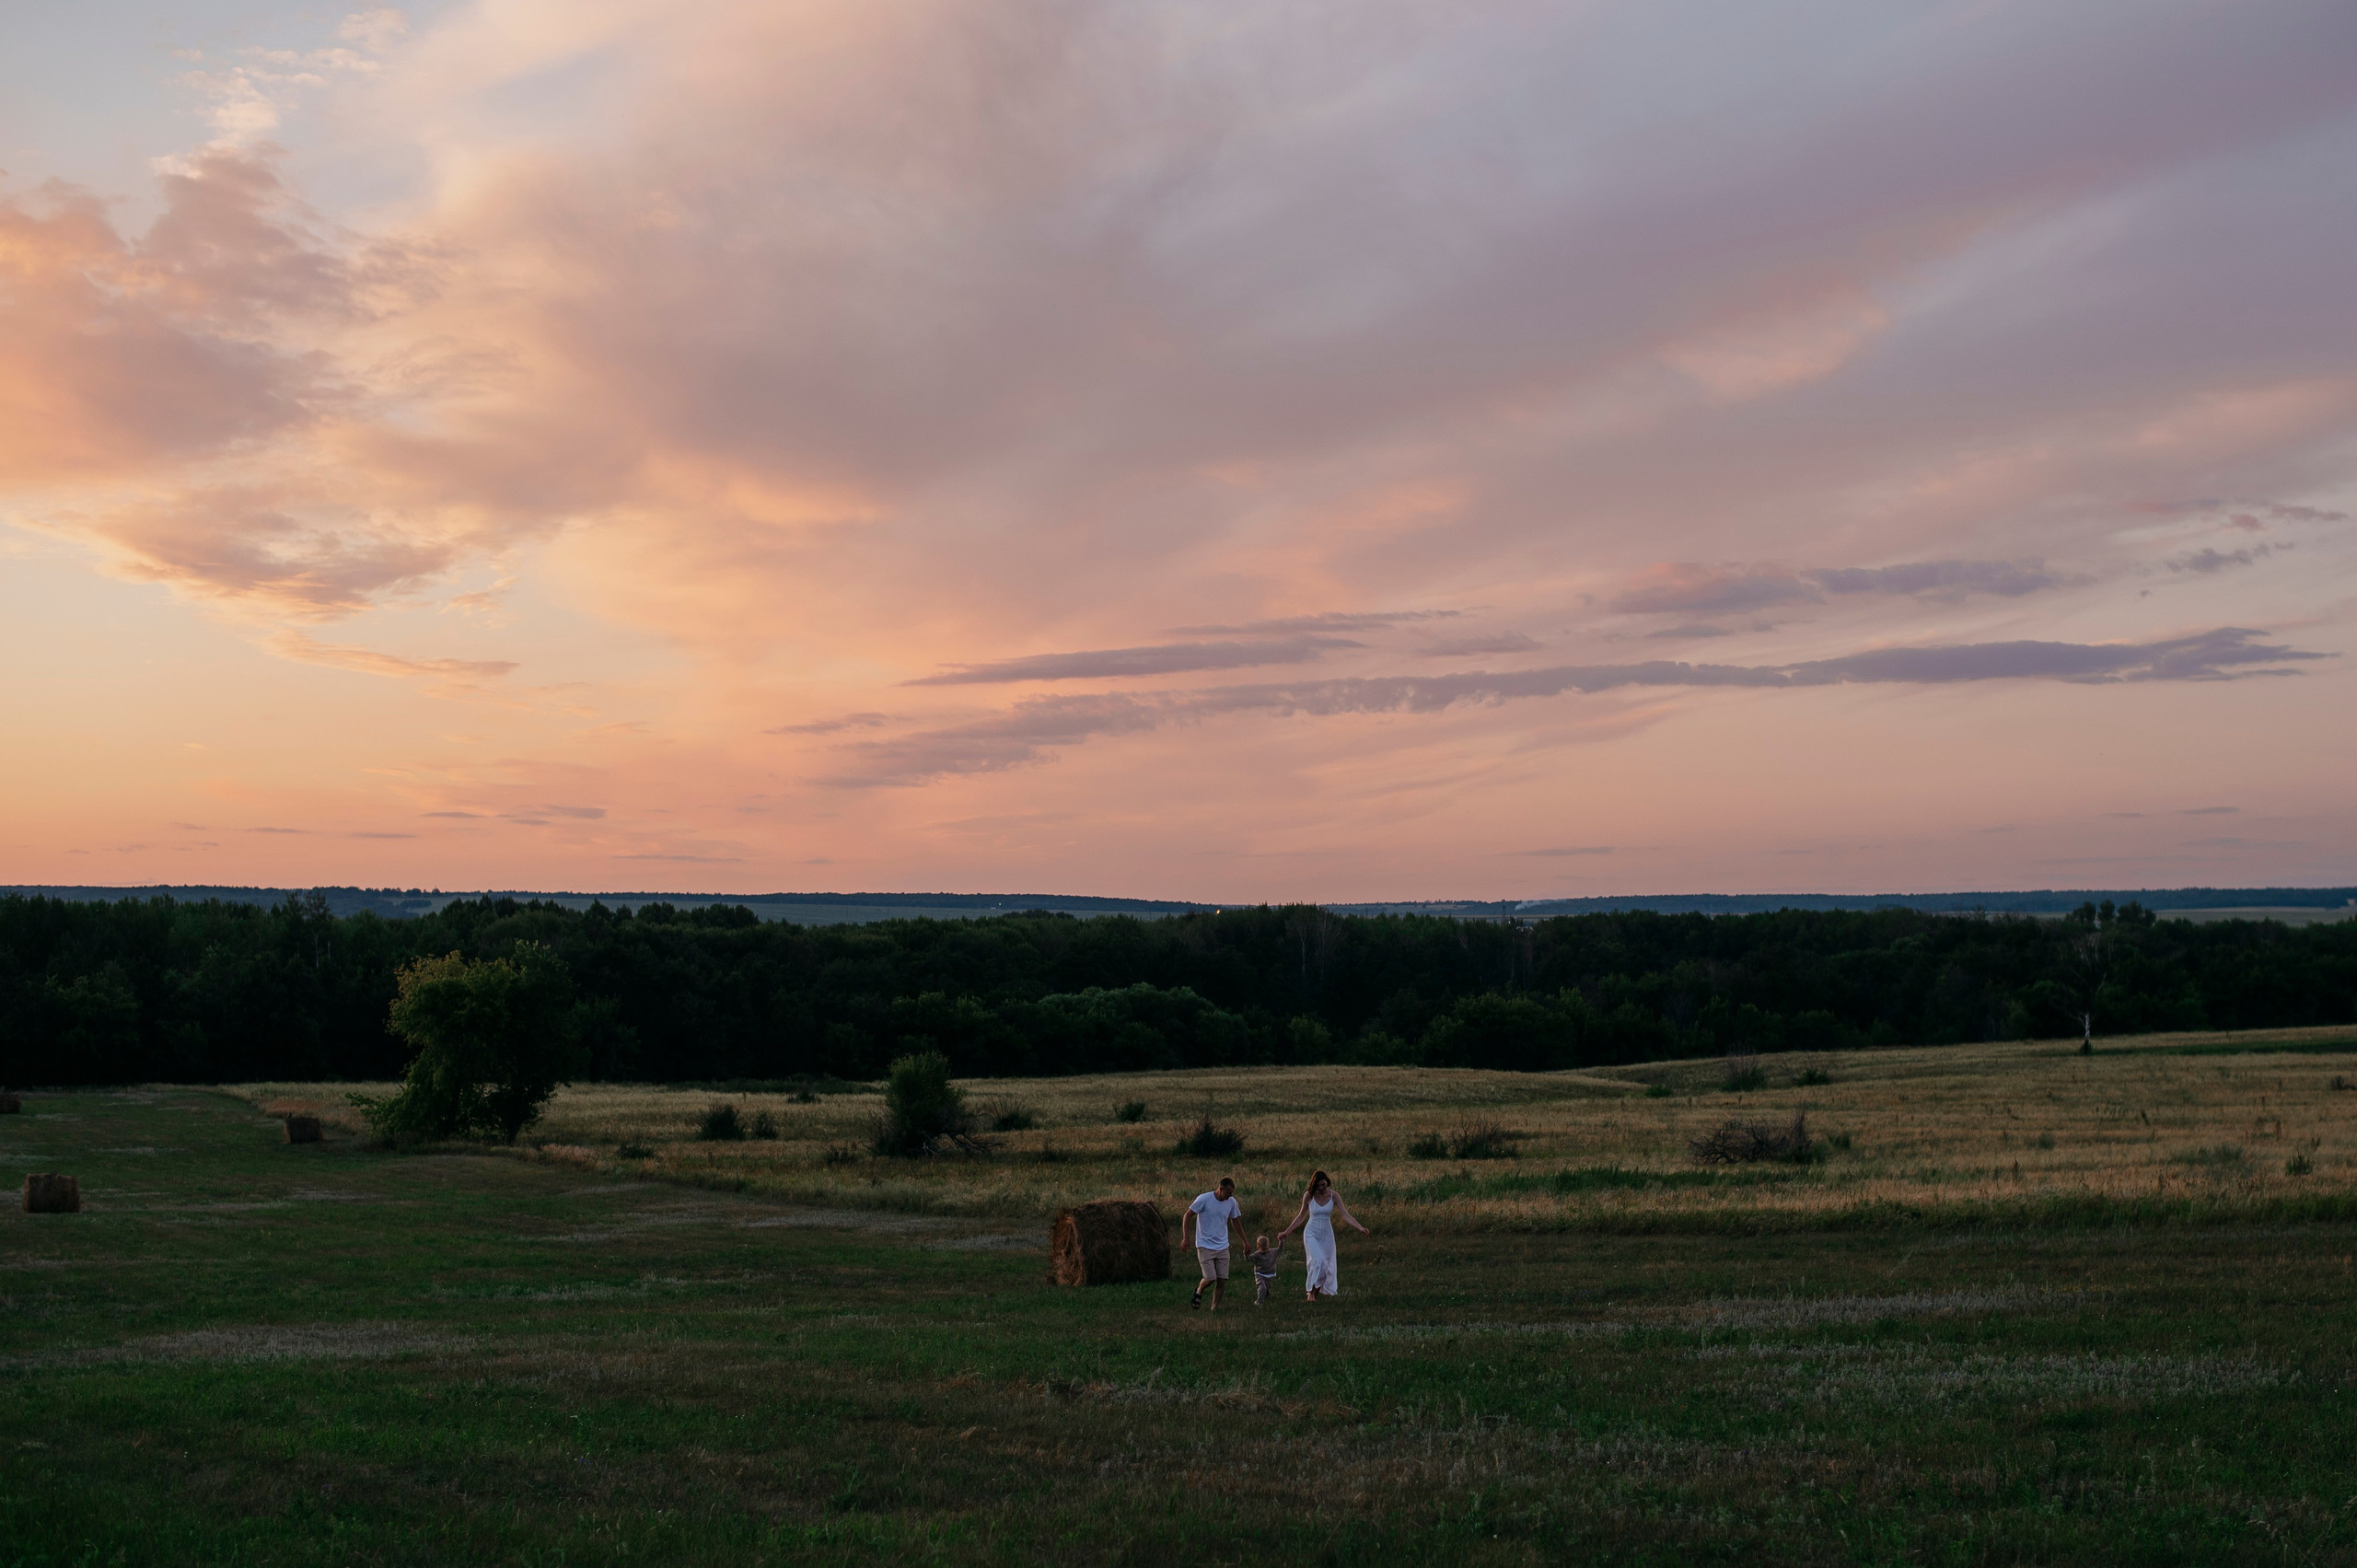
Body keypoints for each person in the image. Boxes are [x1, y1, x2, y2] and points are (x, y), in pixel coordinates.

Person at [1275, 1168, 1367, 1301]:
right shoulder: (1309, 1196)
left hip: (1327, 1235)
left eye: (1323, 1185)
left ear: (1327, 1182)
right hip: (1311, 1233)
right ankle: (1311, 1293)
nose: (1322, 1188)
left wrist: (1360, 1227)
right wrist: (1287, 1232)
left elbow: (1345, 1215)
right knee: (1317, 1260)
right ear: (1314, 1185)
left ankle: (1314, 1293)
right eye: (1318, 1186)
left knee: (1326, 1265)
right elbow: (1301, 1216)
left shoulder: (1334, 1196)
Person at [1182, 1176, 1244, 1310]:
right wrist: (1186, 1238)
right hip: (1205, 1245)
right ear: (1220, 1189)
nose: (1230, 1196)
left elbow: (1235, 1221)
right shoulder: (1204, 1199)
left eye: (1232, 1193)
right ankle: (1199, 1290)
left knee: (1222, 1280)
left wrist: (1245, 1242)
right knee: (1210, 1278)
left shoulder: (1231, 1202)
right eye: (1228, 1193)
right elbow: (1187, 1215)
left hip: (1223, 1246)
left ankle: (1214, 1309)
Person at [1244, 1234, 1283, 1306]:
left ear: (1268, 1246)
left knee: (1266, 1288)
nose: (1265, 1251)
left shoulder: (1272, 1252)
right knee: (1262, 1287)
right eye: (1263, 1250)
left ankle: (1265, 1295)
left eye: (1266, 1249)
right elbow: (1249, 1259)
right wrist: (1246, 1254)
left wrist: (1281, 1241)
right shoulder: (1257, 1255)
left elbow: (1280, 1249)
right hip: (1260, 1274)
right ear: (1258, 1247)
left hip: (1270, 1275)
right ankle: (1259, 1302)